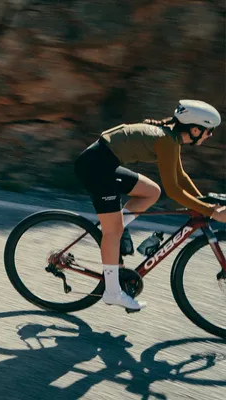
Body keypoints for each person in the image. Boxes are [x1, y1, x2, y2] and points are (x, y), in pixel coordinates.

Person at [73, 99, 225, 312]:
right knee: (112, 231)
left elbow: (180, 177)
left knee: (151, 192)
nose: (210, 136)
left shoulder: (171, 139)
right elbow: (174, 190)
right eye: (209, 131)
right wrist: (210, 211)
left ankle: (117, 228)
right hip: (95, 167)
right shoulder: (167, 141)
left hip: (102, 163)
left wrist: (203, 202)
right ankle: (112, 292)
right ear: (195, 129)